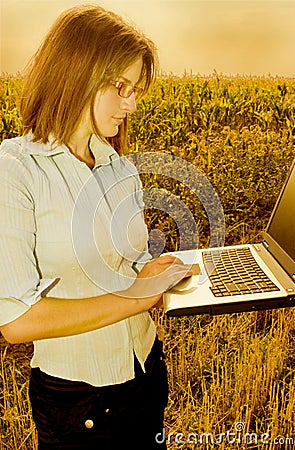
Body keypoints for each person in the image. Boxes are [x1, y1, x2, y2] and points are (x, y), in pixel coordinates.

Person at [0, 5, 191, 450]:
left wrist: (170, 275)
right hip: (79, 406)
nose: (132, 104)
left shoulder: (119, 167)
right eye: (121, 87)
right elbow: (16, 319)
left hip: (145, 374)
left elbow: (133, 260)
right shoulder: (15, 170)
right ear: (77, 73)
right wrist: (136, 298)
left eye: (136, 90)